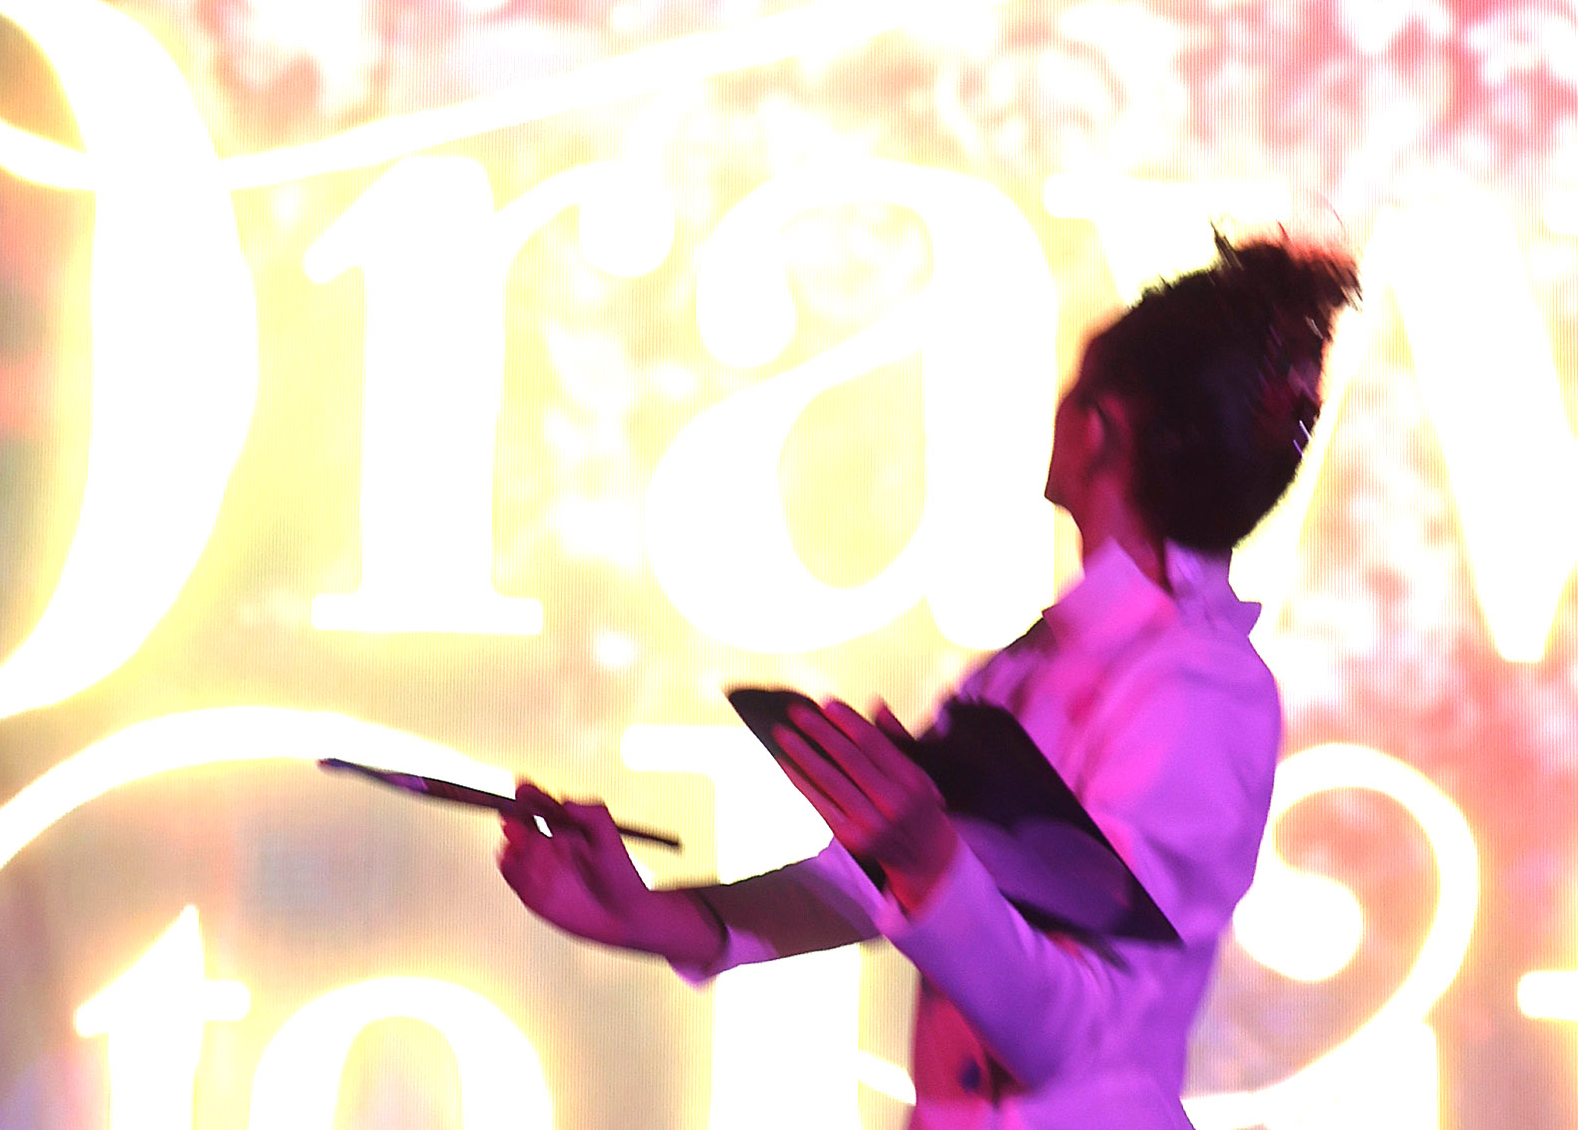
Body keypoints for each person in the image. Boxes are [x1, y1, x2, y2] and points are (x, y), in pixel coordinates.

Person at [496, 231, 1360, 1130]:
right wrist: (647, 914)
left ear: (1097, 430)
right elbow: (864, 882)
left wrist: (927, 855)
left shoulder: (1198, 688)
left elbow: (1083, 1028)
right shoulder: (1043, 657)